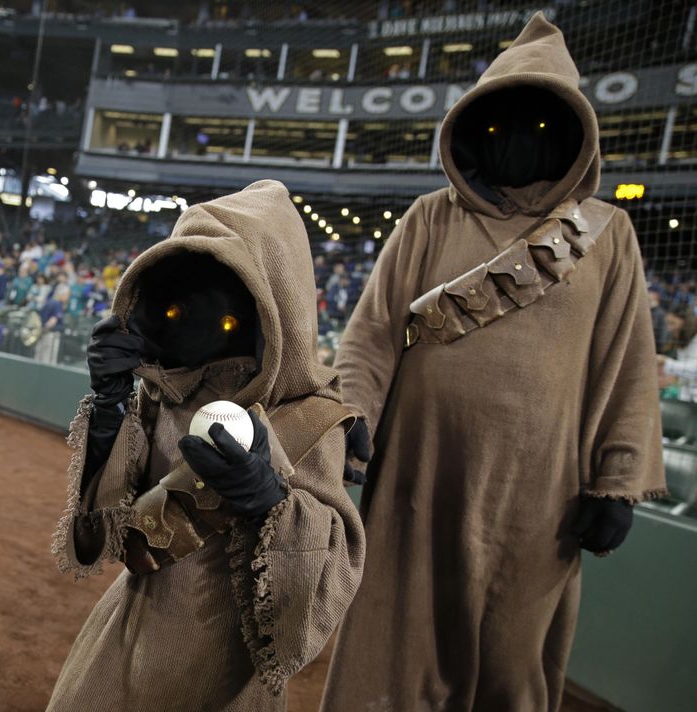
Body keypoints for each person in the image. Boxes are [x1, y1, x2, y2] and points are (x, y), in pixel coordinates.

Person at [321, 14, 665, 712]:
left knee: (512, 667)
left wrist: (619, 480)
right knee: (394, 645)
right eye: (501, 124)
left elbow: (627, 358)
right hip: (419, 474)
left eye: (538, 128)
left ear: (572, 136)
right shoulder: (428, 218)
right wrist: (353, 411)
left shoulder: (608, 235)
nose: (514, 142)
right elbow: (374, 334)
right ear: (472, 128)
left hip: (542, 496)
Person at [48, 180, 364, 711]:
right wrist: (109, 407)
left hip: (228, 681)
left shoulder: (312, 420)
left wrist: (273, 505)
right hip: (123, 652)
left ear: (274, 298)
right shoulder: (162, 393)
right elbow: (97, 539)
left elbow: (322, 597)